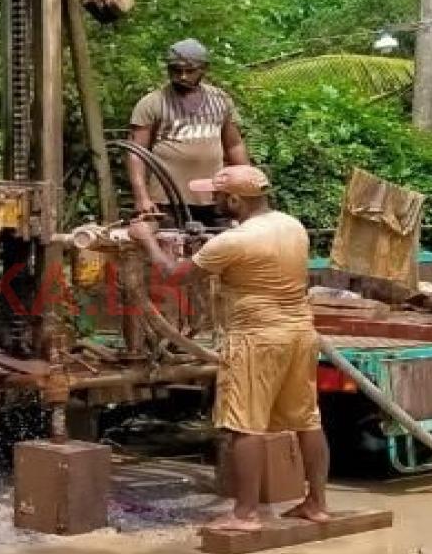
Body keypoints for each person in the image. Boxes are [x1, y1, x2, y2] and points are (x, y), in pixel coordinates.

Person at [129, 166, 331, 531]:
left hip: (255, 337)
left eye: (218, 197)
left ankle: (245, 513)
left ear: (235, 199)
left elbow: (172, 275)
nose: (213, 202)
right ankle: (316, 503)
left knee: (244, 424)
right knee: (307, 419)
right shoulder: (292, 225)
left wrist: (146, 239)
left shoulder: (232, 242)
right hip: (300, 331)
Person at [127, 38, 249, 228]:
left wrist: (245, 187)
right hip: (168, 201)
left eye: (190, 71)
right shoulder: (152, 103)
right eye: (176, 70)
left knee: (220, 250)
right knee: (171, 250)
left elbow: (234, 145)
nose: (183, 76)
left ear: (204, 69)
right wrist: (142, 197)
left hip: (216, 198)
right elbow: (136, 153)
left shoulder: (221, 99)